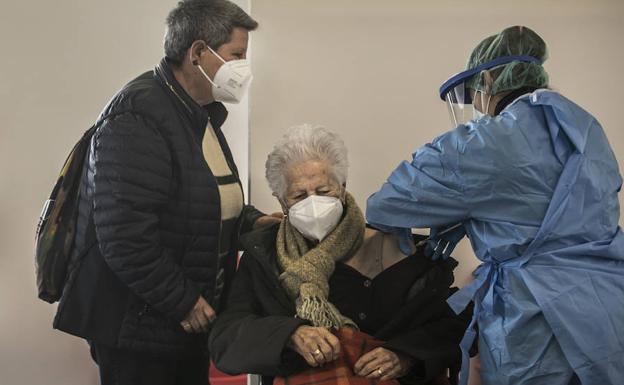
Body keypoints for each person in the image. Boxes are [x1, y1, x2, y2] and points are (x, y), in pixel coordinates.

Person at [366, 26, 624, 385]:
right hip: (606, 304)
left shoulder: (482, 142)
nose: (475, 105)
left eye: (473, 94)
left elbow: (385, 205)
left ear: (487, 78)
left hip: (534, 317)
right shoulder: (584, 128)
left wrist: (459, 214)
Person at [52, 1, 280, 384]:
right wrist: (185, 302)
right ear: (197, 53)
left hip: (178, 324)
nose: (244, 67)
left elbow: (202, 205)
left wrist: (257, 223)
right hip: (141, 328)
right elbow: (124, 234)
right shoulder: (138, 116)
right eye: (236, 55)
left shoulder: (196, 114)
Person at [209, 124, 471, 385]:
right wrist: (290, 335)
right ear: (281, 201)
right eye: (299, 195)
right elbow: (226, 339)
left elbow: (452, 326)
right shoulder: (265, 255)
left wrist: (406, 356)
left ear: (343, 187)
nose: (313, 203)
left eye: (324, 191)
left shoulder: (397, 248)